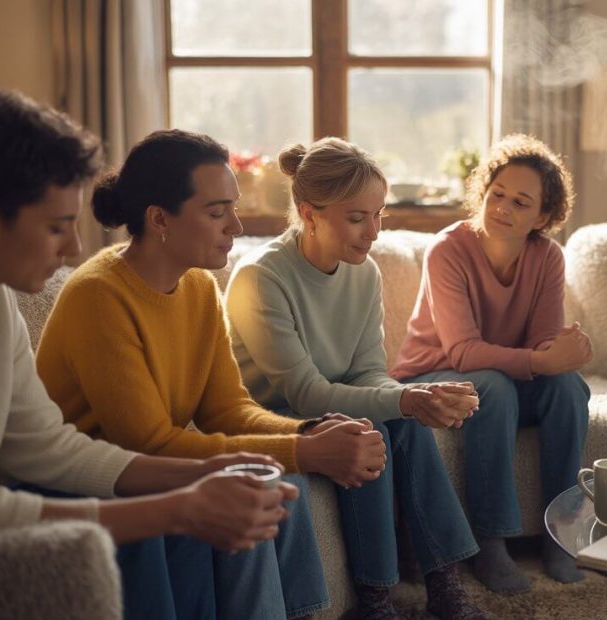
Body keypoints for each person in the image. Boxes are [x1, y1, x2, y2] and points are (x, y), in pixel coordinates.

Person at [35, 127, 388, 619]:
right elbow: (148, 443)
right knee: (264, 480)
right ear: (159, 219)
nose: (237, 227)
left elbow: (228, 408)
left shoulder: (199, 286)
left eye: (233, 209)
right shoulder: (99, 295)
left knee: (279, 483)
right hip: (100, 475)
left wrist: (310, 429)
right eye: (218, 212)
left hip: (155, 465)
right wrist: (302, 450)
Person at [0, 89, 299, 619]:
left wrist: (210, 472)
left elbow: (45, 445)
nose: (71, 250)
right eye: (54, 227)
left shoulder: (1, 300)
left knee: (213, 503)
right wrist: (176, 506)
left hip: (57, 473)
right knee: (161, 528)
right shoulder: (97, 292)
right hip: (34, 495)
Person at [224, 137, 484, 620]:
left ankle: (444, 584)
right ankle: (376, 599)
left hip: (332, 404)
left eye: (379, 215)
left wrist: (416, 396)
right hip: (278, 419)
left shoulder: (363, 273)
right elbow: (304, 393)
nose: (374, 232)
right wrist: (404, 402)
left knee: (401, 422)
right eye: (357, 218)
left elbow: (368, 372)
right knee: (372, 425)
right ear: (310, 213)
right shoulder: (261, 277)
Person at [391, 134, 592, 593]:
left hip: (499, 375)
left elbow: (542, 343)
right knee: (494, 386)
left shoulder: (547, 257)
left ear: (542, 216)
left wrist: (564, 354)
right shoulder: (448, 250)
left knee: (570, 387)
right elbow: (462, 351)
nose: (502, 207)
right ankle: (490, 543)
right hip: (432, 375)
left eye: (521, 202)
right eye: (497, 194)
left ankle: (560, 534)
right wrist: (544, 359)